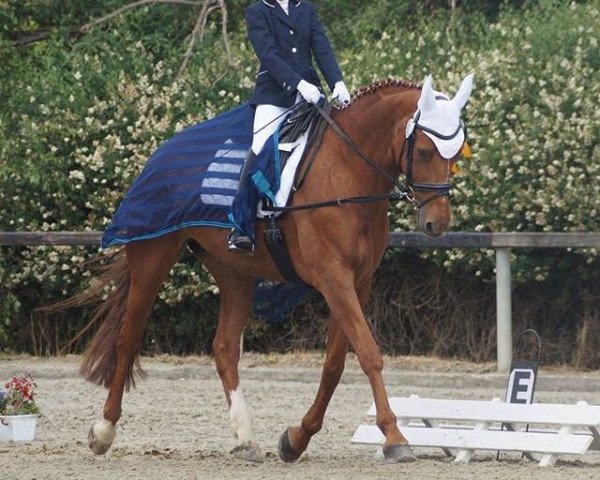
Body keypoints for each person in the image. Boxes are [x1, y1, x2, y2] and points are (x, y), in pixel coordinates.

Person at [227, 0, 351, 254]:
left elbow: (320, 45)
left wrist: (337, 82)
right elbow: (268, 55)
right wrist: (298, 84)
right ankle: (242, 226)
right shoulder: (257, 11)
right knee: (260, 146)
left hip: (312, 94)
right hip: (274, 95)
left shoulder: (304, 7)